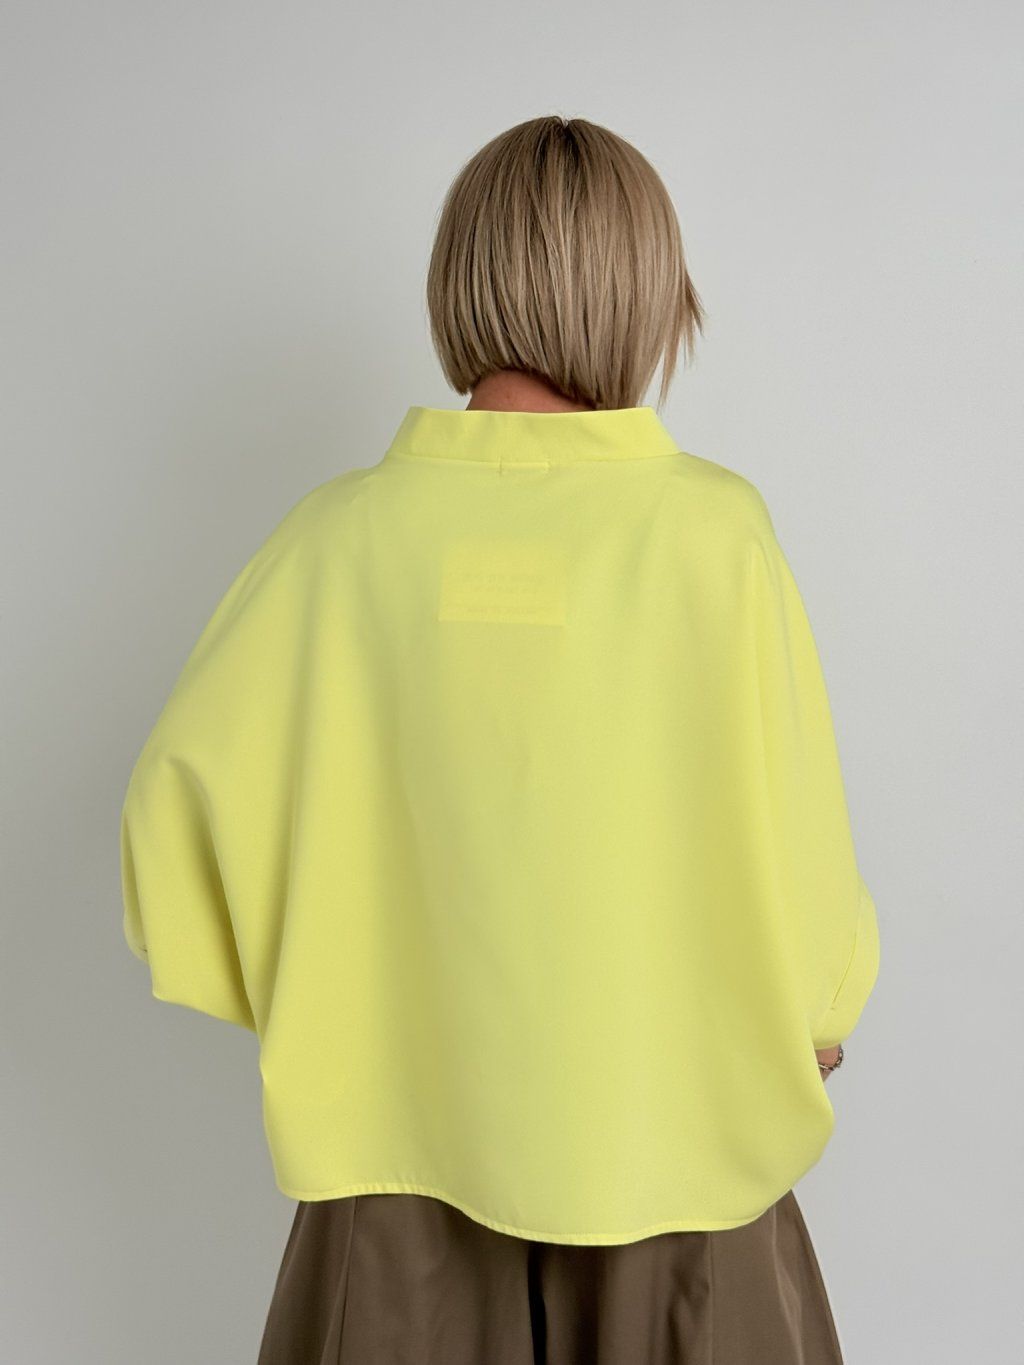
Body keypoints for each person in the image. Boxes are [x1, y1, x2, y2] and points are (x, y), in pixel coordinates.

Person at [120, 115, 880, 1364]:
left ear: (458, 282)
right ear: (643, 292)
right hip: (680, 1172)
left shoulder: (336, 541)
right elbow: (799, 866)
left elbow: (173, 832)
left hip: (390, 1180)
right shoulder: (713, 538)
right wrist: (812, 1011)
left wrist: (351, 998)